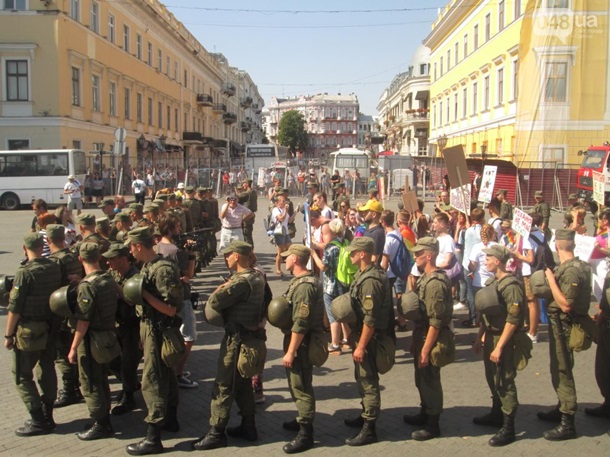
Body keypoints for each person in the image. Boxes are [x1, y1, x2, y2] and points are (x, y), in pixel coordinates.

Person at [192, 241, 266, 451]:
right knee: (242, 385)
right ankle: (248, 426)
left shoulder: (241, 282)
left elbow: (215, 302)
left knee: (223, 385)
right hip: (250, 337)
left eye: (228, 255)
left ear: (237, 256)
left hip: (237, 340)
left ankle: (217, 431)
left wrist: (219, 288)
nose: (225, 259)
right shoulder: (257, 276)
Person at [124, 227, 183, 455]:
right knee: (166, 375)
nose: (130, 251)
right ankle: (170, 419)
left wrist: (144, 295)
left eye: (131, 246)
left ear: (139, 245)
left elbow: (171, 309)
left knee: (153, 380)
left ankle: (153, 438)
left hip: (159, 330)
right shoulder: (148, 266)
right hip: (150, 328)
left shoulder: (163, 270)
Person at [4, 233, 62, 436]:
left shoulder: (24, 273)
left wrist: (8, 335)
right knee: (47, 370)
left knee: (21, 375)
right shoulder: (54, 267)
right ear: (43, 246)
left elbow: (14, 307)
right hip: (51, 327)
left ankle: (38, 419)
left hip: (29, 331)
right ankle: (49, 415)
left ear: (23, 248)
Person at [538, 229, 592, 441]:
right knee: (557, 368)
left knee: (563, 370)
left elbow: (566, 304)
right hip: (559, 325)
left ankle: (568, 422)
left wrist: (550, 279)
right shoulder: (578, 266)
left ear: (557, 246)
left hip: (564, 326)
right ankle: (562, 407)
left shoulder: (570, 271)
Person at [472, 245, 526, 447]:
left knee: (505, 380)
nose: (485, 260)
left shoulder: (511, 285)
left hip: (505, 339)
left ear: (498, 261)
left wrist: (500, 347)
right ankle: (496, 413)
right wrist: (479, 337)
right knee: (492, 378)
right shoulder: (494, 282)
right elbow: (487, 316)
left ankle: (508, 427)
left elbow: (513, 319)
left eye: (489, 257)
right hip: (492, 337)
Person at [342, 237, 392, 447]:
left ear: (362, 254)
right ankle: (365, 414)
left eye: (353, 252)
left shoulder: (371, 280)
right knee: (362, 379)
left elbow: (370, 318)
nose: (350, 255)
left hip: (369, 340)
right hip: (364, 335)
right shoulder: (365, 275)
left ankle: (369, 427)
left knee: (368, 381)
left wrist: (361, 346)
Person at [68, 243, 119, 440]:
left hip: (91, 339)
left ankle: (101, 423)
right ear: (99, 257)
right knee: (101, 378)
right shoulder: (107, 277)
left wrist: (73, 348)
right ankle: (103, 415)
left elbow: (83, 320)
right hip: (107, 335)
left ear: (81, 259)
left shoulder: (87, 286)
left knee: (89, 381)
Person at [404, 237, 453, 441]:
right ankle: (425, 411)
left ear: (429, 255)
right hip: (422, 334)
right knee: (421, 379)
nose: (415, 256)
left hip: (432, 337)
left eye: (418, 253)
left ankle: (433, 423)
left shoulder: (435, 283)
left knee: (431, 380)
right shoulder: (425, 278)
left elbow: (436, 321)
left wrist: (425, 349)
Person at [279, 244, 325, 453]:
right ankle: (301, 418)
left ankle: (306, 434)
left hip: (302, 343)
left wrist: (291, 350)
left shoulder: (305, 286)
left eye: (287, 257)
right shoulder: (302, 281)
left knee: (301, 386)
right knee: (297, 383)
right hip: (300, 340)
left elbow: (301, 322)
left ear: (296, 259)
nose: (284, 259)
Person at [156, 215, 198, 389]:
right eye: (178, 226)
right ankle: (178, 373)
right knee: (188, 336)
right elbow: (188, 275)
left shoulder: (156, 247)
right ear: (171, 228)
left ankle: (170, 369)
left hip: (162, 299)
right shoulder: (176, 252)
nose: (180, 229)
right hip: (182, 298)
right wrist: (192, 255)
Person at [102, 243, 142, 416]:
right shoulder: (111, 273)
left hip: (132, 327)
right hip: (115, 326)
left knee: (129, 363)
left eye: (112, 259)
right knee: (109, 360)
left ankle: (129, 395)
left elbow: (133, 301)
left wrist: (115, 287)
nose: (108, 263)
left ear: (124, 259)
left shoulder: (135, 277)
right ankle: (130, 383)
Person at [310, 219, 350, 355]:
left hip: (331, 285)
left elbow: (323, 266)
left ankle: (334, 343)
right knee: (343, 312)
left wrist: (314, 255)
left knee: (333, 316)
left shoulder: (331, 248)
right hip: (344, 282)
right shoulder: (345, 243)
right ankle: (347, 338)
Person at [271, 195, 292, 276]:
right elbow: (281, 218)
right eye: (282, 201)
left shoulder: (284, 209)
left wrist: (295, 212)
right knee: (280, 251)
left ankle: (291, 267)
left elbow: (289, 220)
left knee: (290, 249)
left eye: (284, 200)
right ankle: (278, 269)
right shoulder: (275, 210)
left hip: (286, 231)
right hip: (279, 232)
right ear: (277, 203)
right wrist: (285, 211)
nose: (284, 202)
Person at [360, 200, 385, 265]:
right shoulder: (369, 229)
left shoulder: (377, 233)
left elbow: (374, 259)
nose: (363, 214)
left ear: (374, 214)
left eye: (366, 212)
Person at [237, 179, 258, 247]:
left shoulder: (247, 193)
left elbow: (236, 198)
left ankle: (248, 251)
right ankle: (250, 250)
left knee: (246, 234)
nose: (243, 186)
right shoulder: (253, 192)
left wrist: (238, 191)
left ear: (246, 184)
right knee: (248, 234)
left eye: (243, 184)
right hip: (250, 215)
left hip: (246, 216)